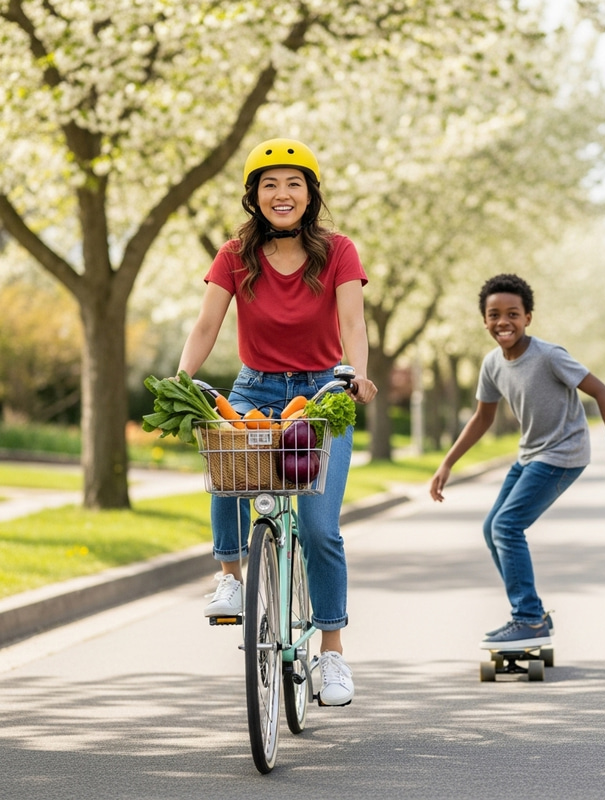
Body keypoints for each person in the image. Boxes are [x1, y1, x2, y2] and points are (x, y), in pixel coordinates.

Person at [177, 137, 377, 705]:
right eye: (269, 184)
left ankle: (332, 653)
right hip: (255, 387)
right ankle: (230, 576)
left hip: (321, 394)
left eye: (293, 183)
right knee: (225, 453)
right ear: (254, 196)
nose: (281, 194)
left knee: (319, 528)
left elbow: (354, 326)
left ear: (310, 194)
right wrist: (182, 377)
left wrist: (357, 375)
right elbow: (205, 325)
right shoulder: (233, 255)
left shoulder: (338, 250)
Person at [429, 273, 605, 650]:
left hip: (563, 453)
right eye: (494, 315)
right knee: (493, 527)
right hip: (531, 453)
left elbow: (602, 392)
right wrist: (448, 463)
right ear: (485, 320)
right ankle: (531, 615)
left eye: (513, 314)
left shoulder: (549, 356)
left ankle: (527, 618)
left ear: (528, 318)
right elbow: (482, 418)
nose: (503, 322)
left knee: (507, 526)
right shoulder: (492, 364)